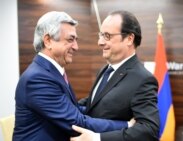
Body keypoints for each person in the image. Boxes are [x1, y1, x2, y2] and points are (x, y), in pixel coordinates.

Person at [13, 11, 131, 141]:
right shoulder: (37, 79)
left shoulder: (51, 71)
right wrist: (127, 125)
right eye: (70, 40)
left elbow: (73, 109)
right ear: (48, 41)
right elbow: (77, 122)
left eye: (76, 40)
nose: (76, 47)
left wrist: (116, 110)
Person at [73, 10, 160, 141]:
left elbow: (149, 130)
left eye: (107, 36)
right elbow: (94, 103)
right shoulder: (105, 70)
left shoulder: (143, 79)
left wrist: (98, 138)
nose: (100, 42)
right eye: (100, 35)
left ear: (129, 39)